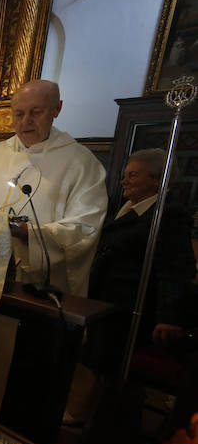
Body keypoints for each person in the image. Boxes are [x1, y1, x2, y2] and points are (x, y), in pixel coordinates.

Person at [0, 80, 108, 296]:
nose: (26, 121)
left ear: (57, 109)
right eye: (18, 114)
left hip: (37, 288)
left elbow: (85, 228)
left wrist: (30, 233)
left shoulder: (81, 163)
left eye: (36, 112)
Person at [88, 148, 195, 359]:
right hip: (105, 304)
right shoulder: (127, 209)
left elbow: (176, 269)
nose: (124, 181)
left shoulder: (168, 215)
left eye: (133, 175)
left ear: (157, 180)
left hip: (131, 310)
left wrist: (169, 316)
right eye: (124, 175)